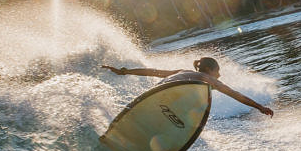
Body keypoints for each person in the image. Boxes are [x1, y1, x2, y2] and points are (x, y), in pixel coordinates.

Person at [101, 57, 274, 117]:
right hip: (165, 101)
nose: (219, 76)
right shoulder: (208, 79)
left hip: (152, 97)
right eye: (217, 72)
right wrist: (259, 107)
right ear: (209, 70)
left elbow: (153, 72)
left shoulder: (182, 71)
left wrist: (124, 71)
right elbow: (235, 94)